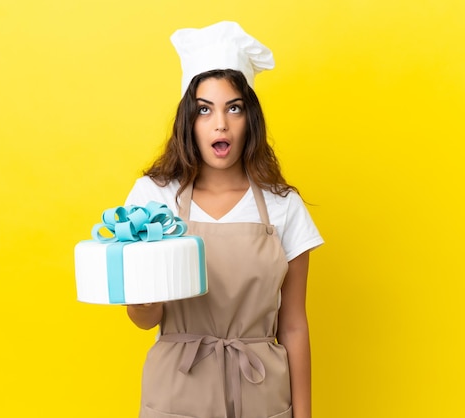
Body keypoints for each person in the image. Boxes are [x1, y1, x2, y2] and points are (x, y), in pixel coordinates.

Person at [124, 21, 323, 418]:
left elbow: (294, 326)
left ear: (250, 117)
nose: (220, 124)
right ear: (188, 120)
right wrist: (143, 301)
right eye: (204, 109)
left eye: (234, 108)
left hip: (261, 392)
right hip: (177, 392)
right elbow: (143, 319)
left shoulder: (283, 206)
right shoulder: (154, 197)